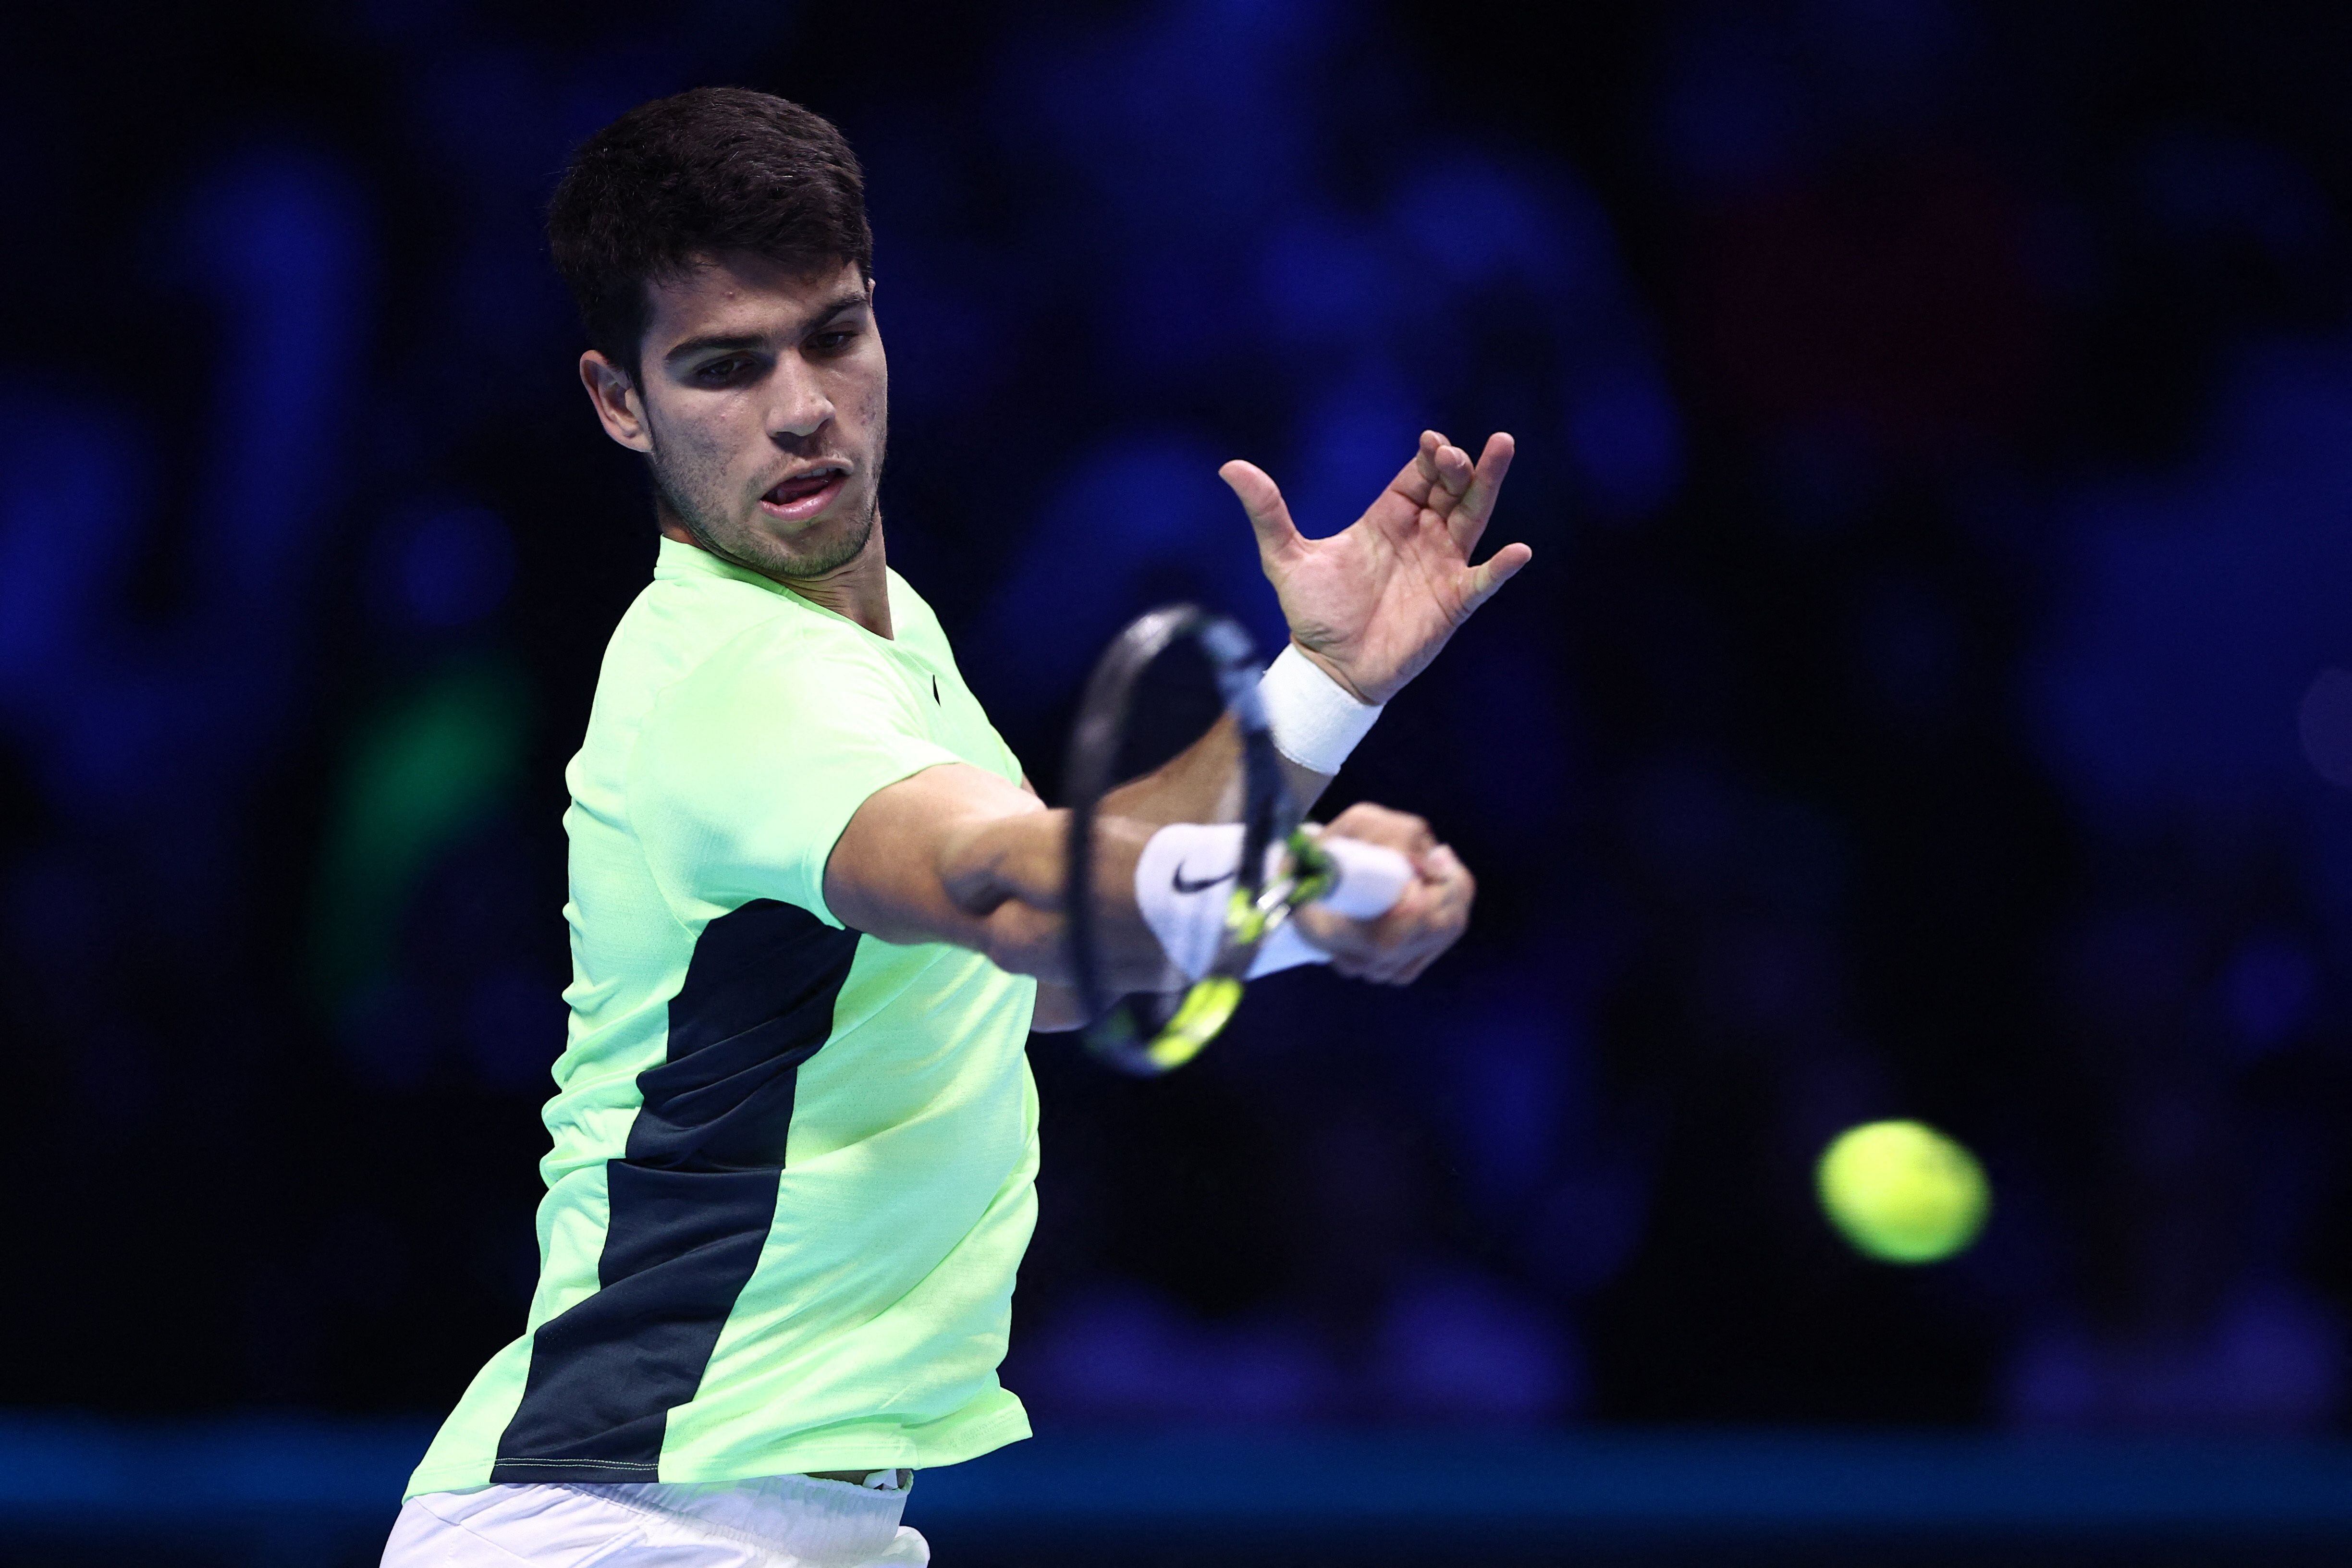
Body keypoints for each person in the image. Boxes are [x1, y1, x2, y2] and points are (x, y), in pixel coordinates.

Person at [382, 86, 1530, 1568]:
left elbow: (1035, 967)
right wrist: (1309, 895)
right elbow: (1020, 896)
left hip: (768, 1523)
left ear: (880, 319)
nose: (800, 406)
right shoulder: (739, 680)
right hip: (626, 1527)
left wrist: (1326, 690)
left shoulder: (882, 643)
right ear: (620, 401)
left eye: (832, 337)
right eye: (724, 367)